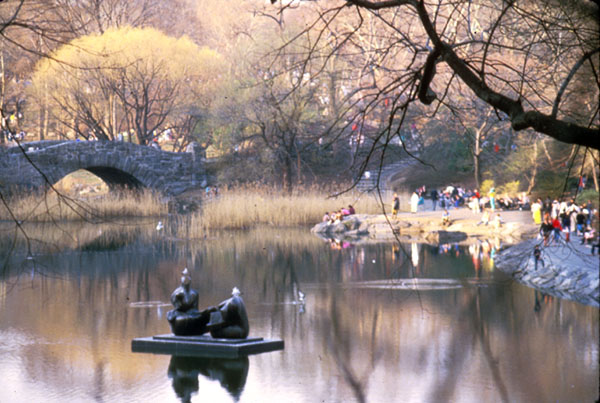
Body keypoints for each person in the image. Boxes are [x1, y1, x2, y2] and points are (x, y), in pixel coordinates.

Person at [167, 268, 216, 336]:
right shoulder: (176, 293)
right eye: (184, 276)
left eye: (188, 276)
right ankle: (199, 328)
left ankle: (202, 327)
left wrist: (205, 312)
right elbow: (178, 308)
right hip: (181, 315)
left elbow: (195, 310)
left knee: (210, 312)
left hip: (192, 315)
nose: (186, 278)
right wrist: (180, 300)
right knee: (182, 320)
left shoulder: (195, 293)